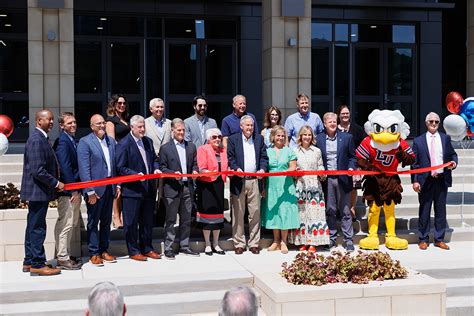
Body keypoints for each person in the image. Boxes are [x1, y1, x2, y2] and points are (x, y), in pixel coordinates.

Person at [21, 109, 63, 276]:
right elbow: (38, 170)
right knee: (37, 227)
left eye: (52, 119)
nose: (51, 122)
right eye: (48, 119)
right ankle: (38, 264)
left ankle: (29, 260)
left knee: (33, 225)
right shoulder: (37, 140)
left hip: (37, 191)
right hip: (37, 191)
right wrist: (56, 183)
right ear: (39, 121)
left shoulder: (40, 138)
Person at [116, 115, 162, 261]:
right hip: (132, 190)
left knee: (147, 221)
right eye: (139, 127)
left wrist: (155, 169)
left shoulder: (148, 141)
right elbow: (120, 167)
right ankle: (133, 250)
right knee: (131, 222)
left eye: (144, 126)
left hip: (148, 189)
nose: (143, 129)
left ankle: (147, 248)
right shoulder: (124, 144)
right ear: (132, 127)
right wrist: (135, 174)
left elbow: (154, 159)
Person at [412, 112, 458, 250]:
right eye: (431, 121)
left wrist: (453, 164)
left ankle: (439, 239)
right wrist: (415, 181)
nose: (433, 124)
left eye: (436, 122)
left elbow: (453, 155)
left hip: (441, 180)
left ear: (439, 123)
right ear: (426, 123)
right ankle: (423, 239)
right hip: (425, 180)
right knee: (424, 211)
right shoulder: (418, 141)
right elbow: (415, 164)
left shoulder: (445, 139)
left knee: (440, 211)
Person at [78, 114, 118, 266]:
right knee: (93, 222)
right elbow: (84, 169)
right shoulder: (85, 142)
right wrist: (89, 190)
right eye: (98, 123)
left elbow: (114, 166)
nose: (102, 126)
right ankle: (93, 253)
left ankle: (104, 250)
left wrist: (118, 185)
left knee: (106, 221)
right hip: (95, 190)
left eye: (103, 123)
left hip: (110, 186)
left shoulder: (111, 141)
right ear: (92, 126)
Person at [227, 115, 268, 254]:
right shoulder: (233, 139)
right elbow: (230, 157)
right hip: (239, 180)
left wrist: (262, 168)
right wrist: (235, 168)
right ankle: (239, 243)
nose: (250, 128)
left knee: (255, 213)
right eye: (247, 125)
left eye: (251, 125)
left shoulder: (259, 139)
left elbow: (263, 157)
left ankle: (254, 243)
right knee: (238, 213)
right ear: (241, 126)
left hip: (255, 180)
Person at [159, 118, 200, 259]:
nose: (181, 132)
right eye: (179, 130)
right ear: (173, 131)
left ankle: (184, 246)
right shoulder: (165, 148)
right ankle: (169, 248)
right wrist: (172, 175)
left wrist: (195, 171)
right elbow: (162, 168)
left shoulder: (191, 147)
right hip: (172, 188)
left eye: (183, 130)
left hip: (187, 188)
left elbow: (195, 164)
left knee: (186, 219)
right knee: (170, 220)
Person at [316, 112, 357, 251]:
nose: (333, 124)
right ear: (324, 124)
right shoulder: (319, 139)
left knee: (345, 210)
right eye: (330, 122)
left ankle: (348, 239)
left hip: (343, 179)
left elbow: (353, 157)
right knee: (330, 210)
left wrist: (351, 167)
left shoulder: (347, 137)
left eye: (334, 121)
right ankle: (331, 238)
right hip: (327, 180)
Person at [288, 125, 330, 252]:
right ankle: (302, 241)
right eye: (304, 134)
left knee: (314, 215)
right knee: (302, 214)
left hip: (314, 186)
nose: (307, 137)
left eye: (309, 134)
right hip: (300, 185)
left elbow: (321, 166)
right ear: (300, 136)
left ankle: (313, 242)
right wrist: (296, 173)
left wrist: (322, 173)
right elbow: (292, 170)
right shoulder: (294, 151)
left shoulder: (317, 151)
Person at [261, 126, 299, 254]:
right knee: (274, 213)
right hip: (271, 186)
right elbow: (264, 169)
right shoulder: (267, 151)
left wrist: (284, 172)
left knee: (284, 212)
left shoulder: (289, 151)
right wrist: (263, 188)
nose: (280, 138)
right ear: (273, 137)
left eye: (283, 136)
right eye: (278, 135)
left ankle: (284, 241)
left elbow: (293, 167)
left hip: (286, 185)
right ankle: (275, 241)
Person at [52, 112, 82, 270]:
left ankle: (65, 253)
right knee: (66, 223)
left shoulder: (72, 140)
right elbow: (65, 168)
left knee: (71, 223)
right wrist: (73, 190)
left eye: (74, 122)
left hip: (75, 189)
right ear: (62, 126)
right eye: (69, 123)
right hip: (68, 192)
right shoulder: (62, 142)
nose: (73, 125)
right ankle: (63, 258)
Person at [196, 128, 228, 256]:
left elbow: (226, 166)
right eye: (214, 137)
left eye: (219, 137)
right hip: (206, 185)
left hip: (219, 185)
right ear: (209, 139)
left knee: (217, 214)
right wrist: (211, 173)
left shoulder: (223, 151)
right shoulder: (203, 149)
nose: (217, 139)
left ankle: (216, 243)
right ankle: (208, 244)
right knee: (207, 213)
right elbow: (201, 168)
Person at [336, 104, 366, 219]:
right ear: (339, 115)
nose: (345, 116)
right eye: (343, 113)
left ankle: (352, 208)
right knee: (339, 186)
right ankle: (341, 208)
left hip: (354, 162)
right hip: (339, 162)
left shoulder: (357, 129)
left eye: (347, 113)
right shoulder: (335, 128)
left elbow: (363, 145)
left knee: (353, 187)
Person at [105, 94, 130, 229]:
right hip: (118, 156)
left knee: (125, 188)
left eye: (124, 103)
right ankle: (116, 217)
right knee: (117, 188)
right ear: (114, 105)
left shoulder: (126, 120)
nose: (122, 105)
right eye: (119, 103)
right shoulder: (110, 121)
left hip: (128, 157)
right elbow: (112, 141)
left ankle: (123, 215)